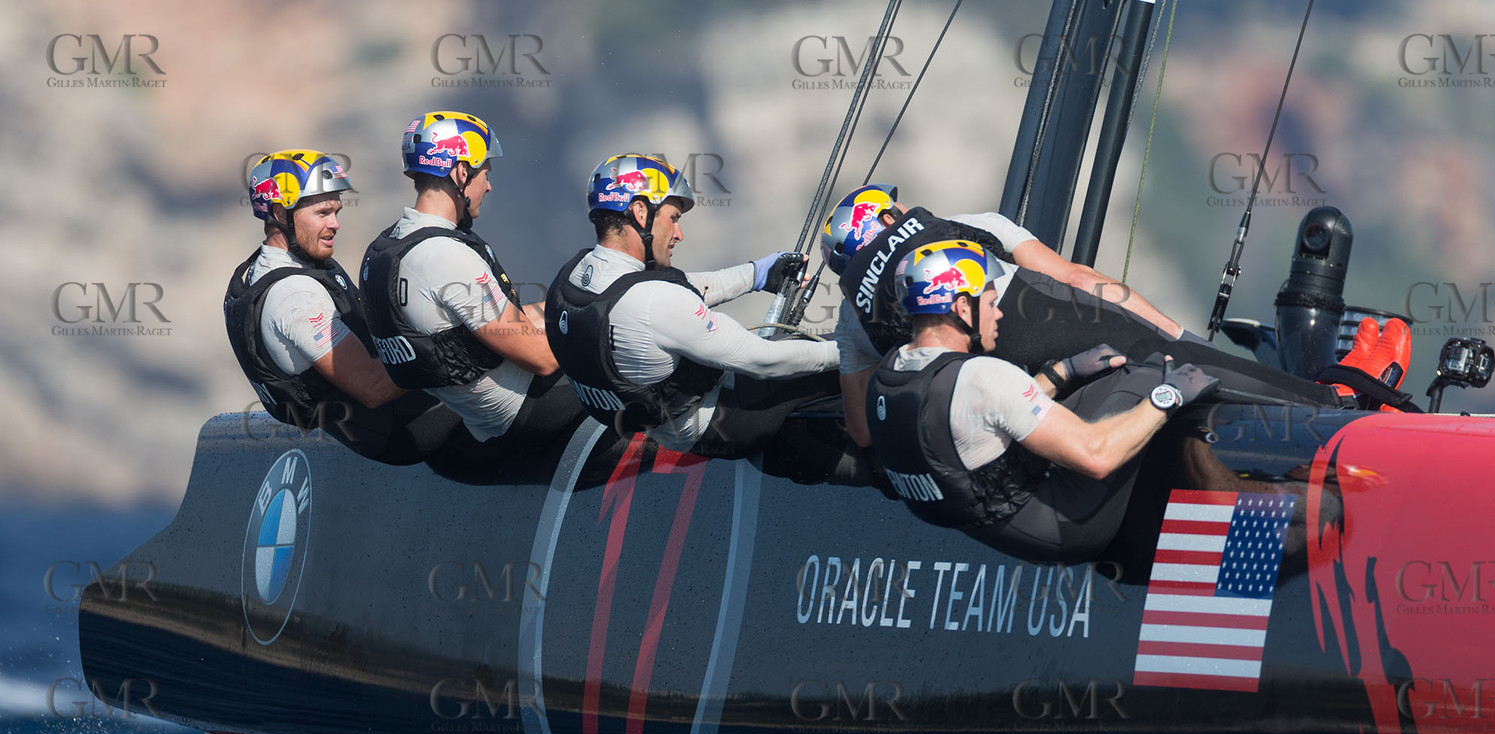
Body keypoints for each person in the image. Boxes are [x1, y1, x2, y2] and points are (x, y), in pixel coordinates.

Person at [822, 184, 1411, 446]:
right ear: (892, 219)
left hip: (1024, 405)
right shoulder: (972, 228)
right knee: (1198, 366)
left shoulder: (854, 321)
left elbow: (864, 432)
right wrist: (1178, 335)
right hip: (1062, 324)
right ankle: (1346, 402)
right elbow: (1081, 281)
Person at [866, 239, 1219, 562]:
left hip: (995, 521)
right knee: (1146, 371)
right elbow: (1097, 457)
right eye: (991, 303)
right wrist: (1169, 395)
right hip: (1068, 530)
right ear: (962, 307)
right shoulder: (981, 376)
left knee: (1093, 388)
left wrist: (1063, 372)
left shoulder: (893, 370)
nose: (999, 314)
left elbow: (986, 416)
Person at [545, 153, 848, 470]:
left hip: (668, 428)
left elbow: (676, 291)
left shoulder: (575, 276)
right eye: (673, 218)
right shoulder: (653, 301)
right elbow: (762, 360)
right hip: (727, 421)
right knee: (840, 361)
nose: (679, 234)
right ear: (640, 211)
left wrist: (755, 275)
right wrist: (847, 351)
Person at [360, 111, 583, 462]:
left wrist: (566, 311)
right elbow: (541, 358)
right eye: (485, 174)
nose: (489, 186)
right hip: (526, 410)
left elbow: (495, 325)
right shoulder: (444, 256)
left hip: (482, 416)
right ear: (461, 172)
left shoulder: (387, 247)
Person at [223, 150, 458, 464]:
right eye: (322, 213)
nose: (334, 224)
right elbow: (372, 387)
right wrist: (451, 342)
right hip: (405, 431)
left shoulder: (262, 269)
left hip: (382, 424)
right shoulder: (295, 296)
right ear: (280, 213)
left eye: (336, 212)